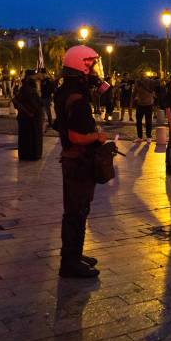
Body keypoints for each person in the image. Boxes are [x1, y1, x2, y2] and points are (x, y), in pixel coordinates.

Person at [53, 45, 109, 278]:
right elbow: (76, 135)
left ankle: (74, 254)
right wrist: (97, 136)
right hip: (78, 161)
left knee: (77, 210)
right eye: (90, 63)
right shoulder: (76, 98)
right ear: (80, 64)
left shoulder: (66, 90)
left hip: (73, 160)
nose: (94, 68)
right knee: (76, 211)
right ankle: (70, 262)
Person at [13, 70, 43, 161]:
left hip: (30, 117)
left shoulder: (29, 87)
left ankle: (31, 154)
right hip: (28, 118)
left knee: (30, 136)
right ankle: (29, 155)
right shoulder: (26, 88)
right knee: (28, 137)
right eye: (34, 76)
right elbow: (31, 102)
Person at [132, 75, 155, 143]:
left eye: (143, 76)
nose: (142, 77)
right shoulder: (137, 82)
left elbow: (155, 87)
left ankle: (148, 137)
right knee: (138, 121)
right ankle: (140, 137)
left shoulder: (150, 82)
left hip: (148, 104)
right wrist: (132, 101)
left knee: (148, 121)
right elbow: (134, 92)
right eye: (140, 75)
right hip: (140, 104)